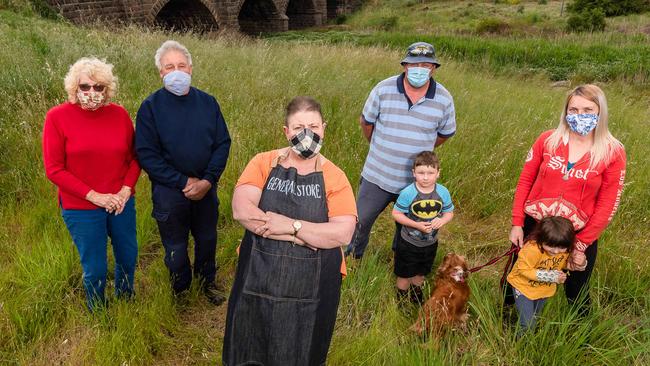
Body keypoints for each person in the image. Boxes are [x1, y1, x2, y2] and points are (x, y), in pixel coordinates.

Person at [223, 96, 357, 366]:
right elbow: (242, 209)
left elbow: (343, 233)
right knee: (248, 342)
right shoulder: (264, 162)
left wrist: (289, 226)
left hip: (314, 287)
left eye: (313, 126)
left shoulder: (335, 176)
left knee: (302, 351)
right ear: (286, 132)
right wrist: (304, 236)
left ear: (324, 128)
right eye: (298, 128)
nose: (307, 133)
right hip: (258, 276)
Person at [506, 84, 626, 314]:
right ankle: (508, 314)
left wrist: (581, 244)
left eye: (588, 110)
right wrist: (517, 222)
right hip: (535, 224)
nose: (580, 116)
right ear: (566, 111)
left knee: (576, 287)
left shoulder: (612, 151)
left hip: (577, 231)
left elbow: (608, 205)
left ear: (600, 112)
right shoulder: (548, 140)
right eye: (574, 110)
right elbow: (524, 182)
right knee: (519, 270)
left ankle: (581, 338)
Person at [135, 40, 231, 305]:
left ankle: (207, 283)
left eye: (181, 65)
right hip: (169, 192)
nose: (176, 70)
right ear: (161, 73)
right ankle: (180, 290)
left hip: (206, 189)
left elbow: (223, 143)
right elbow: (146, 154)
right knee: (175, 247)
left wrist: (208, 180)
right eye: (169, 66)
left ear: (190, 68)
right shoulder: (150, 108)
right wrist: (182, 181)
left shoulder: (208, 103)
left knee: (207, 239)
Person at [43, 57, 141, 311]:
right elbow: (54, 169)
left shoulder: (119, 115)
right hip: (81, 206)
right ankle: (98, 310)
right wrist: (95, 196)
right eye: (85, 87)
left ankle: (125, 299)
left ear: (107, 90)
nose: (91, 93)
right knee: (95, 267)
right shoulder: (57, 117)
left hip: (120, 201)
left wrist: (125, 189)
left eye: (99, 88)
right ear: (74, 88)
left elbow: (135, 157)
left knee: (128, 256)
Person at [345, 41, 456, 259]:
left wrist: (420, 147)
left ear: (434, 68)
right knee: (360, 221)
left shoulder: (444, 98)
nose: (420, 69)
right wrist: (381, 146)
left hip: (415, 182)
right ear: (405, 65)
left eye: (426, 65)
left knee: (412, 227)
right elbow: (367, 123)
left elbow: (444, 134)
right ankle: (351, 259)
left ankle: (402, 261)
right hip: (377, 175)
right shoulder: (383, 88)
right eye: (415, 64)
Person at [391, 151, 454, 303]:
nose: (425, 177)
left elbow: (449, 212)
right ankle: (401, 299)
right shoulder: (408, 193)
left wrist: (442, 221)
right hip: (408, 242)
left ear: (438, 173)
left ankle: (415, 296)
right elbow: (396, 213)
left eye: (430, 173)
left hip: (430, 243)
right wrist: (416, 225)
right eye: (421, 173)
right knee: (404, 274)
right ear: (414, 173)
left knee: (420, 273)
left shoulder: (442, 192)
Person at [507, 216, 573, 336]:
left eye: (561, 247)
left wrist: (573, 265)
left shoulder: (564, 250)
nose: (556, 251)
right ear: (541, 238)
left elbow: (562, 264)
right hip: (523, 288)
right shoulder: (532, 250)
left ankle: (524, 332)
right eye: (551, 246)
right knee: (527, 323)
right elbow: (523, 269)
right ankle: (520, 345)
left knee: (535, 315)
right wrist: (551, 277)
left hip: (543, 289)